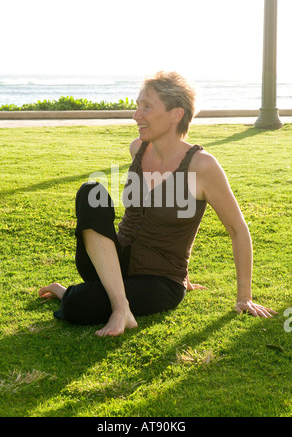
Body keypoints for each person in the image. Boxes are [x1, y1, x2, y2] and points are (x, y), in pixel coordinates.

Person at [39, 71, 277, 336]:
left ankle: (70, 294)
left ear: (176, 114)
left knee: (77, 306)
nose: (136, 115)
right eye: (138, 106)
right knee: (90, 191)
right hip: (111, 262)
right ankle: (120, 306)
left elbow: (237, 230)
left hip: (159, 281)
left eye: (147, 107)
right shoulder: (137, 149)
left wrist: (244, 297)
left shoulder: (202, 166)